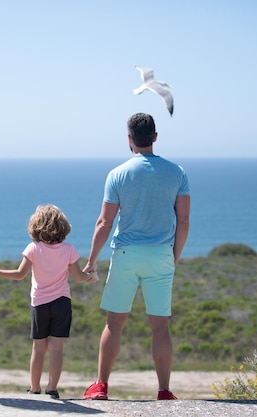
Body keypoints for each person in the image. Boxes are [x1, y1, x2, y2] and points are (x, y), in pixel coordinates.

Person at [82, 113, 190, 401]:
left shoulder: (117, 174)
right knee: (160, 326)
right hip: (161, 255)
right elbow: (184, 221)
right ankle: (164, 391)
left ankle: (100, 386)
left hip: (126, 254)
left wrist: (91, 260)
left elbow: (104, 223)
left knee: (114, 323)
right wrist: (174, 256)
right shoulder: (177, 173)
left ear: (129, 138)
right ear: (155, 137)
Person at [0, 204, 99, 399]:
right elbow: (79, 277)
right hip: (62, 303)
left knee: (38, 348)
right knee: (57, 348)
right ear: (62, 227)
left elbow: (20, 274)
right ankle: (52, 389)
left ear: (36, 226)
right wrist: (90, 275)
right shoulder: (69, 249)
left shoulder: (33, 248)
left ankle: (34, 389)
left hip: (40, 304)